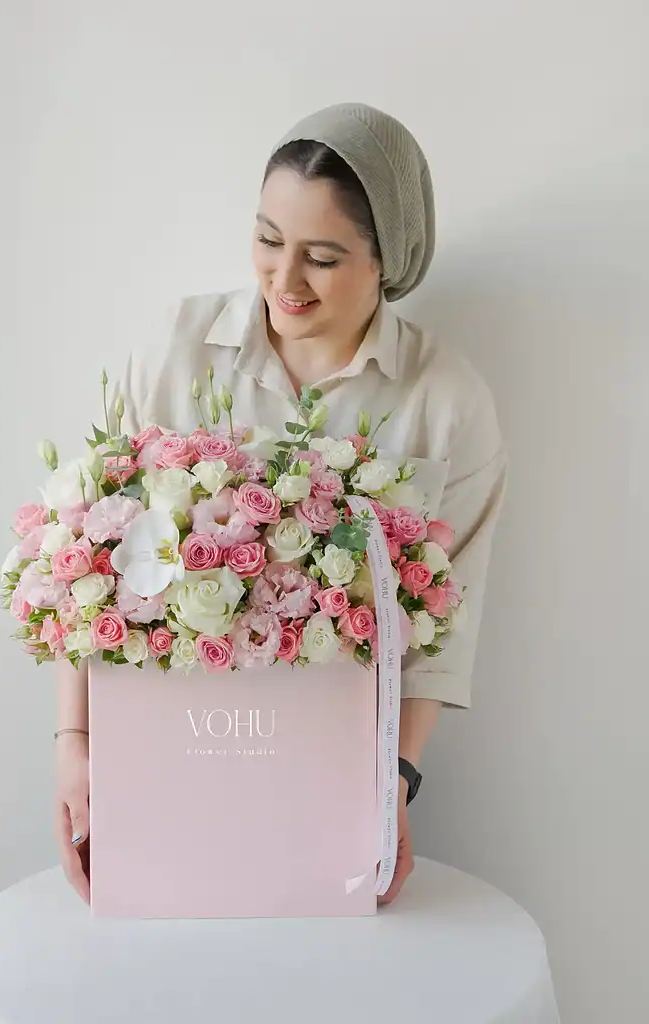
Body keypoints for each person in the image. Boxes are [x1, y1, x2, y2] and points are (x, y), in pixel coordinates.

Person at [54, 102, 508, 907]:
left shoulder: (446, 402)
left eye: (322, 258)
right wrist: (76, 743)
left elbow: (447, 628)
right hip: (163, 749)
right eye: (268, 240)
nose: (284, 281)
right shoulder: (174, 352)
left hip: (331, 773)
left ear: (389, 259)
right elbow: (89, 557)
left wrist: (394, 782)